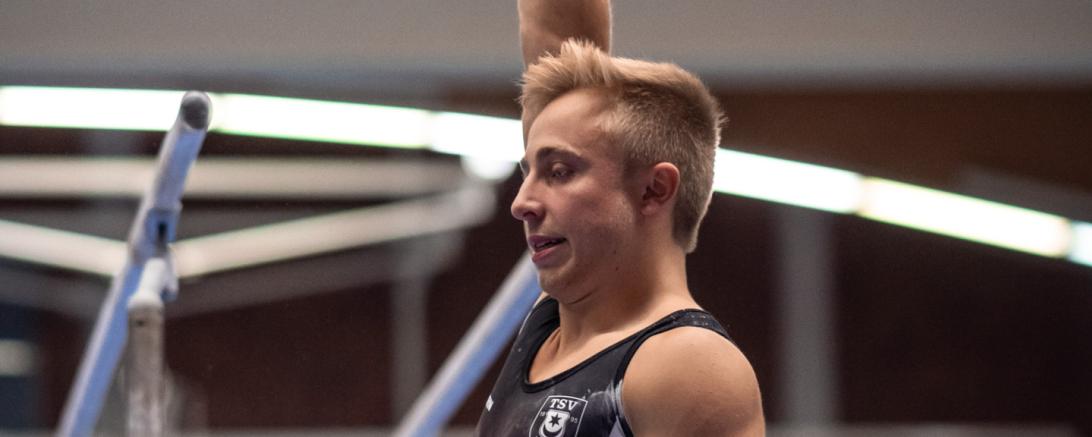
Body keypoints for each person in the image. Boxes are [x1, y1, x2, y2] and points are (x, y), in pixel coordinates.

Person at [476, 0, 765, 435]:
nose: (522, 203)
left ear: (653, 190)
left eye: (559, 172)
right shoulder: (555, 325)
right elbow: (559, 35)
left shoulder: (686, 367)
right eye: (529, 171)